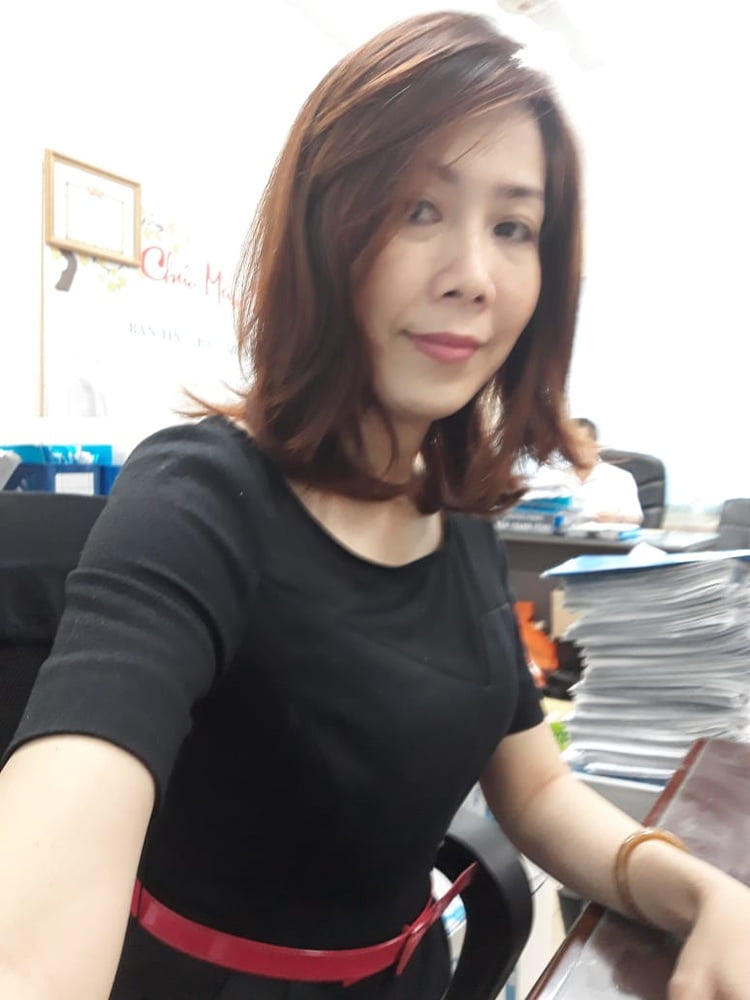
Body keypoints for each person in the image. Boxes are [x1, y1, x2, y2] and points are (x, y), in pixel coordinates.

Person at [0, 11, 749, 1000]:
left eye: (513, 227)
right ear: (325, 230)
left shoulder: (461, 516)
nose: (472, 277)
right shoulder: (196, 500)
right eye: (418, 209)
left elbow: (536, 789)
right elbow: (36, 929)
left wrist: (702, 892)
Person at [528, 417, 644, 524]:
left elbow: (636, 518)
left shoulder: (620, 478)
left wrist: (618, 518)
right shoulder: (553, 478)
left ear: (596, 446)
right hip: (561, 537)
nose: (574, 450)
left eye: (580, 444)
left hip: (603, 537)